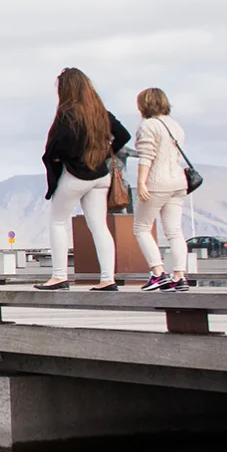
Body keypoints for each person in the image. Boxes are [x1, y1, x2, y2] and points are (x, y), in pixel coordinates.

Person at [36, 68, 130, 291]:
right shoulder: (100, 112)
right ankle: (108, 279)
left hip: (76, 175)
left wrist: (66, 157)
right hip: (101, 176)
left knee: (58, 221)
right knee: (99, 226)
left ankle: (59, 276)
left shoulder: (68, 114)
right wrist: (105, 154)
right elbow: (124, 135)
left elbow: (56, 145)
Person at [131, 88, 193, 292]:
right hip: (179, 183)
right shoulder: (175, 125)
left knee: (141, 227)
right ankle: (179, 276)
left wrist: (141, 182)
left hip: (157, 182)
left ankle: (158, 273)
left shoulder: (148, 126)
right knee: (174, 231)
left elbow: (146, 156)